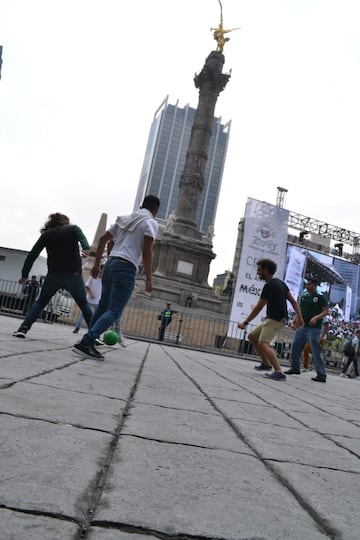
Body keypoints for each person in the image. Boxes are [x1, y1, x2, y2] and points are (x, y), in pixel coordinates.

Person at [73, 195, 160, 359]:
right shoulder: (150, 223)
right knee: (114, 310)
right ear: (155, 210)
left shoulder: (124, 219)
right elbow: (147, 252)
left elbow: (103, 239)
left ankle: (89, 341)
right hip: (126, 267)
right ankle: (87, 342)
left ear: (141, 205)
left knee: (103, 306)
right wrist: (149, 278)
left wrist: (97, 265)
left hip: (111, 264)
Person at [13, 213, 94, 338]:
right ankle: (95, 335)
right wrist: (85, 249)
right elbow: (84, 241)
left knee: (40, 303)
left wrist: (24, 275)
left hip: (54, 275)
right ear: (65, 221)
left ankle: (23, 328)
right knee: (83, 304)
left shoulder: (46, 235)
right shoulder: (73, 229)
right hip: (73, 275)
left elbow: (32, 255)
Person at [238, 258, 304, 381]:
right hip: (276, 319)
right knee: (252, 336)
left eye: (259, 270)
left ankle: (279, 371)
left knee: (263, 343)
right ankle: (265, 364)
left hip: (276, 319)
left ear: (266, 270)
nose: (257, 272)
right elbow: (293, 302)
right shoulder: (280, 283)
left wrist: (245, 322)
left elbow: (259, 307)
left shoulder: (269, 286)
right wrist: (300, 317)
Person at [285, 277, 329, 383]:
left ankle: (321, 374)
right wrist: (294, 320)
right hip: (302, 326)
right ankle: (295, 368)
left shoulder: (320, 297)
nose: (307, 286)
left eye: (309, 284)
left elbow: (325, 311)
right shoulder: (304, 297)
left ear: (315, 285)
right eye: (307, 284)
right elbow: (299, 310)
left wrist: (316, 318)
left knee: (315, 350)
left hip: (314, 328)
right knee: (296, 346)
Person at [73, 266, 103, 333]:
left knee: (97, 316)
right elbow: (87, 286)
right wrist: (91, 293)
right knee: (82, 314)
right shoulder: (92, 278)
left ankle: (94, 330)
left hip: (97, 301)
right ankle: (77, 328)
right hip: (88, 300)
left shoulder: (103, 281)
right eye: (101, 271)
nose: (101, 273)